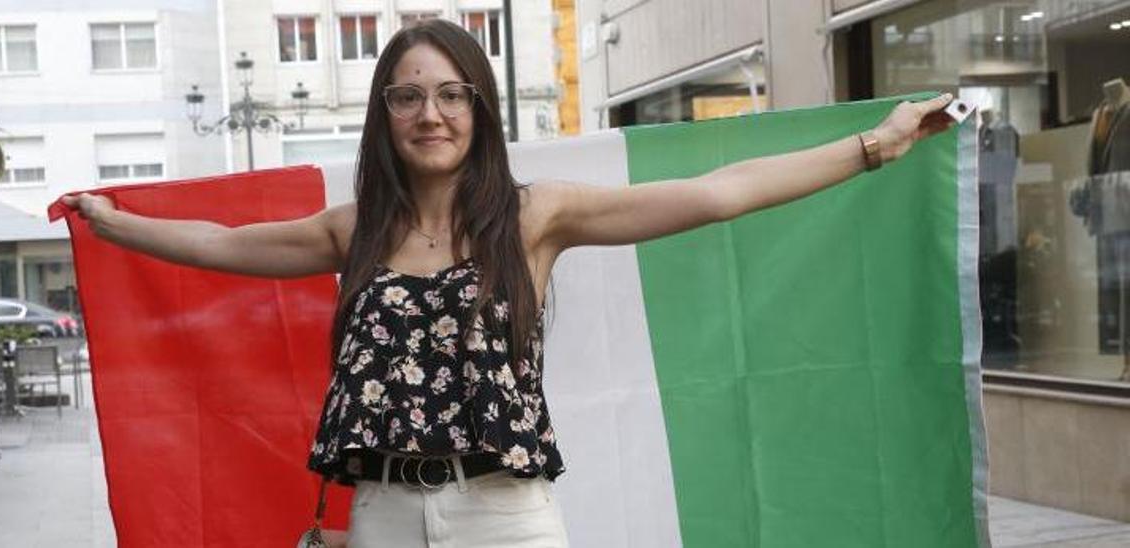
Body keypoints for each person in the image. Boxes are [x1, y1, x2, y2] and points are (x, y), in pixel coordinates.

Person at [60, 19, 955, 548]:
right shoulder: (353, 231)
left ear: (479, 109)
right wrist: (110, 219)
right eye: (408, 97)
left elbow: (716, 194)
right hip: (380, 516)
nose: (430, 114)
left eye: (452, 94)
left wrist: (875, 146)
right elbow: (222, 245)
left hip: (504, 516)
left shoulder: (537, 215)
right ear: (385, 115)